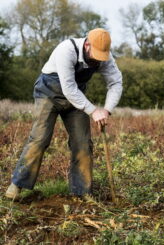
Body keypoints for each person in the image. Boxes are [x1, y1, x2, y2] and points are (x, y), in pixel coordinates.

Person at [5, 28, 123, 200]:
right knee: (39, 139)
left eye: (101, 57)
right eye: (95, 55)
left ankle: (82, 193)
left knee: (83, 143)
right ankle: (17, 185)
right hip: (48, 94)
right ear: (87, 44)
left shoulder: (105, 57)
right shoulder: (66, 50)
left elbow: (116, 83)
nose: (98, 61)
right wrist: (93, 110)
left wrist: (106, 109)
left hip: (77, 100)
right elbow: (69, 88)